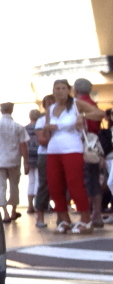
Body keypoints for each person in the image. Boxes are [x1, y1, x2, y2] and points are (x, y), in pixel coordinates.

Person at [38, 79, 104, 233]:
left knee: (75, 183)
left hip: (72, 148)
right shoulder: (51, 108)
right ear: (53, 91)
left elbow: (100, 113)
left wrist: (84, 116)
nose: (60, 91)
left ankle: (85, 220)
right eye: (57, 88)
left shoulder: (76, 104)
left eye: (62, 88)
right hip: (53, 149)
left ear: (68, 90)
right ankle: (64, 219)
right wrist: (47, 128)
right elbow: (46, 134)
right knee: (54, 185)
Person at [0, 102, 29, 222]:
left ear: (1, 111)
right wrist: (26, 162)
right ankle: (13, 211)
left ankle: (5, 213)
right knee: (14, 186)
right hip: (14, 160)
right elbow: (23, 145)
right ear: (12, 110)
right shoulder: (18, 127)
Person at [73, 78, 107, 229]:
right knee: (94, 179)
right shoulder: (93, 104)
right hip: (94, 144)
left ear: (75, 90)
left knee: (84, 180)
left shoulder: (78, 105)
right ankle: (97, 214)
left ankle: (86, 214)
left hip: (82, 144)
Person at [33, 95, 55, 227]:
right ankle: (40, 215)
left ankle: (62, 217)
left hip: (61, 153)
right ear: (44, 106)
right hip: (45, 155)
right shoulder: (41, 121)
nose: (51, 106)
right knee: (44, 184)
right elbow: (42, 140)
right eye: (49, 104)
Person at [25, 108, 41, 213]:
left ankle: (30, 205)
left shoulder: (25, 128)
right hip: (40, 155)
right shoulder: (41, 127)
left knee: (31, 181)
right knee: (39, 180)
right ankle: (38, 205)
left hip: (29, 156)